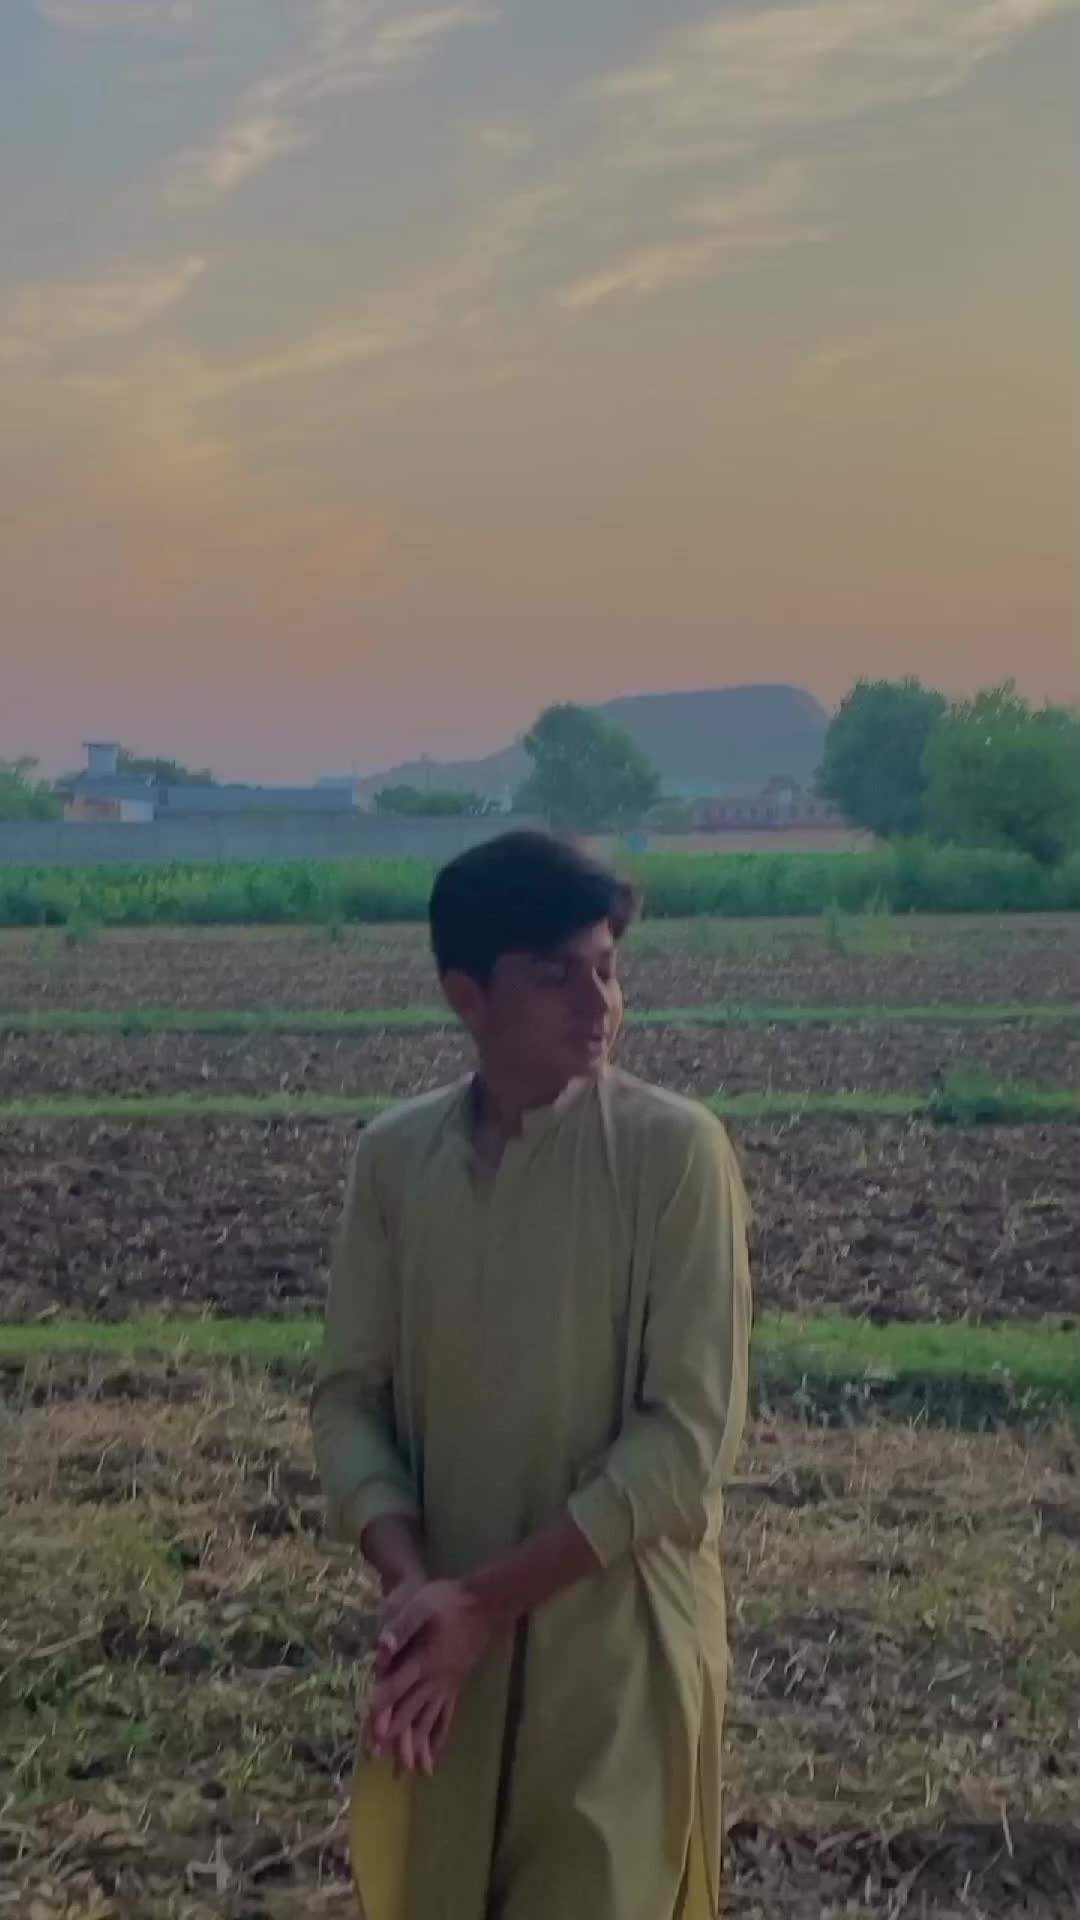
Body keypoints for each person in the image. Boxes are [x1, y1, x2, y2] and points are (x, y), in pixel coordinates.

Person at [311, 830, 752, 1920]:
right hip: (442, 1664)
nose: (599, 1003)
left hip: (617, 1657)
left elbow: (685, 1441)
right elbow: (350, 1399)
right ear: (468, 995)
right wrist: (416, 1590)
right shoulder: (396, 1160)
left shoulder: (675, 1154)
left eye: (607, 967)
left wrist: (482, 1604)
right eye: (556, 975)